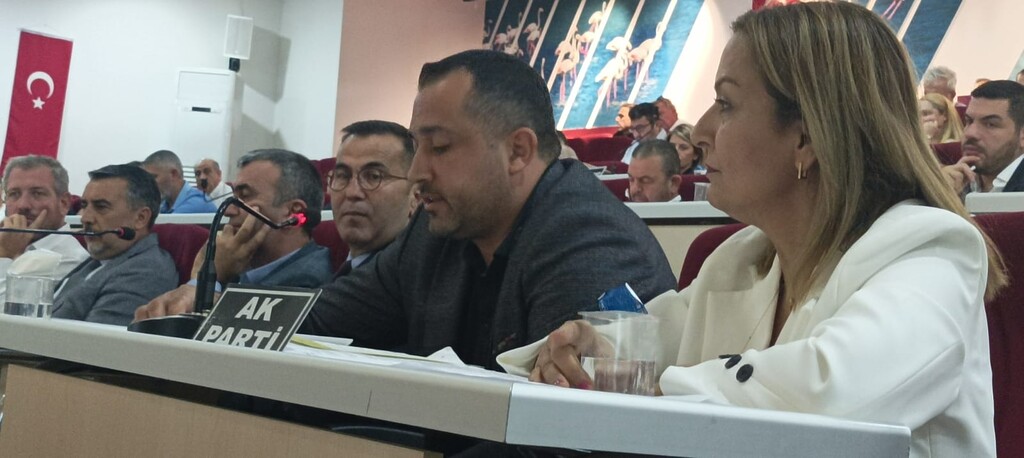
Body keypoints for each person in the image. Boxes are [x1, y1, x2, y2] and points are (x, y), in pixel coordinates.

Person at [504, 3, 1006, 457]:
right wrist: (583, 351)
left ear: (806, 137)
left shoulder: (931, 251)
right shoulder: (741, 258)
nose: (701, 132)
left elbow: (832, 395)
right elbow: (645, 342)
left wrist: (653, 392)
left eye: (725, 104)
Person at [137, 50, 676, 370]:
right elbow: (320, 316)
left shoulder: (590, 243)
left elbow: (553, 434)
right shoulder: (436, 234)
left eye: (438, 147)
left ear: (518, 151)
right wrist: (211, 308)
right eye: (417, 147)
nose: (417, 172)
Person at [137, 149, 333, 314]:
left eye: (245, 196)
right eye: (233, 198)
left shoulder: (307, 282)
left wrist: (211, 279)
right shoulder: (241, 266)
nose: (229, 210)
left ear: (292, 213)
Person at [52, 164, 177, 325]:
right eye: (84, 206)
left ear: (140, 218)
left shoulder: (145, 272)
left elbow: (94, 339)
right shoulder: (105, 257)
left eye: (101, 207)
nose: (85, 218)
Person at [329, 120, 415, 274]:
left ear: (416, 196)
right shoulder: (343, 268)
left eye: (374, 177)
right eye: (343, 176)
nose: (352, 193)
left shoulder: (414, 277)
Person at [0, 156, 89, 301]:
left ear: (64, 203)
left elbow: (7, 312)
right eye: (14, 194)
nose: (23, 205)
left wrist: (5, 255)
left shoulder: (70, 259)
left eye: (37, 193)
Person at [943, 80, 1024, 194]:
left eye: (990, 124)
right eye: (969, 121)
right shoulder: (952, 182)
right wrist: (939, 193)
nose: (970, 133)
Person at [141, 150, 217, 214]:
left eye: (153, 177)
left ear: (174, 174)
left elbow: (166, 225)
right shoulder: (165, 205)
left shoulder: (197, 202)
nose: (149, 183)